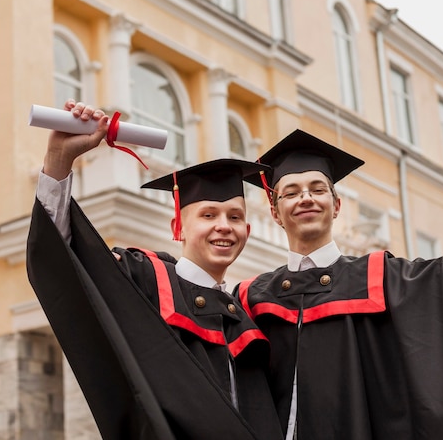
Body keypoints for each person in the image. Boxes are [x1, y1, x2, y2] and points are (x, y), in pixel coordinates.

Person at [235, 128, 443, 440]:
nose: (305, 198)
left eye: (318, 189)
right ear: (276, 213)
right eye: (290, 192)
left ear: (336, 206)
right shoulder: (251, 299)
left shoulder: (379, 278)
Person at [27, 100, 283, 440]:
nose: (224, 226)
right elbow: (68, 265)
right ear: (178, 227)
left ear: (247, 232)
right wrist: (59, 161)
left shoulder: (248, 317)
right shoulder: (146, 280)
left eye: (235, 217)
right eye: (208, 215)